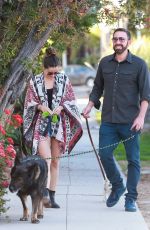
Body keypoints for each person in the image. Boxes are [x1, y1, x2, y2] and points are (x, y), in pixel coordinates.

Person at [82, 28, 150, 212]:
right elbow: (97, 88)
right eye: (115, 38)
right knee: (104, 154)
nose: (118, 41)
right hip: (109, 121)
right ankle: (118, 185)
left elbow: (146, 95)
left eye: (122, 38)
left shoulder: (139, 65)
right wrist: (89, 105)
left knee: (133, 161)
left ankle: (131, 198)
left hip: (130, 122)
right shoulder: (105, 63)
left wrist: (141, 117)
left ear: (129, 41)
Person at [23, 47, 83, 208]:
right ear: (44, 68)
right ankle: (42, 193)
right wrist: (41, 107)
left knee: (56, 162)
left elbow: (71, 100)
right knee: (46, 160)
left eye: (56, 73)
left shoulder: (64, 79)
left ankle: (52, 196)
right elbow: (29, 103)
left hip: (59, 125)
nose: (54, 75)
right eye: (51, 73)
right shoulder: (34, 81)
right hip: (41, 125)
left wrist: (62, 107)